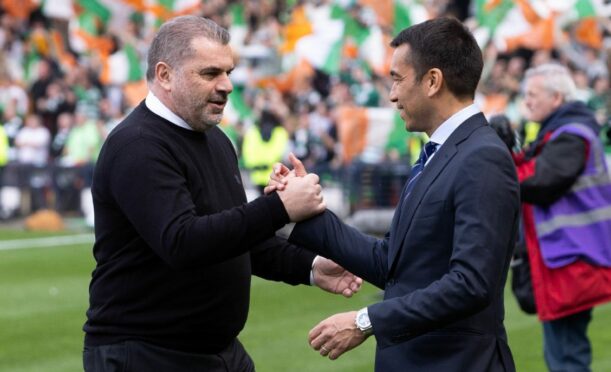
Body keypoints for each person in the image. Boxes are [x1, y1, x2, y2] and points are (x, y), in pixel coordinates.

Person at [83, 15, 362, 372]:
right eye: (210, 73)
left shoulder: (215, 139)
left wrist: (310, 266)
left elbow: (238, 242)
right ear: (165, 75)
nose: (227, 85)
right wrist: (279, 207)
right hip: (146, 353)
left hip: (216, 352)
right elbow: (183, 242)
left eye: (228, 72)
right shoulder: (138, 145)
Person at [270, 17, 520, 371]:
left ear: (432, 81)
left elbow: (471, 283)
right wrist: (304, 209)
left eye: (398, 79)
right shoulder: (442, 152)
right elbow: (394, 263)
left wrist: (366, 320)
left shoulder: (482, 157)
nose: (392, 94)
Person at [515, 63, 611, 372]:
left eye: (533, 95)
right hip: (570, 258)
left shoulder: (570, 137)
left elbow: (539, 183)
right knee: (564, 353)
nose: (527, 101)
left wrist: (498, 162)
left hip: (571, 260)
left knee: (566, 358)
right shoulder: (564, 133)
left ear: (557, 98)